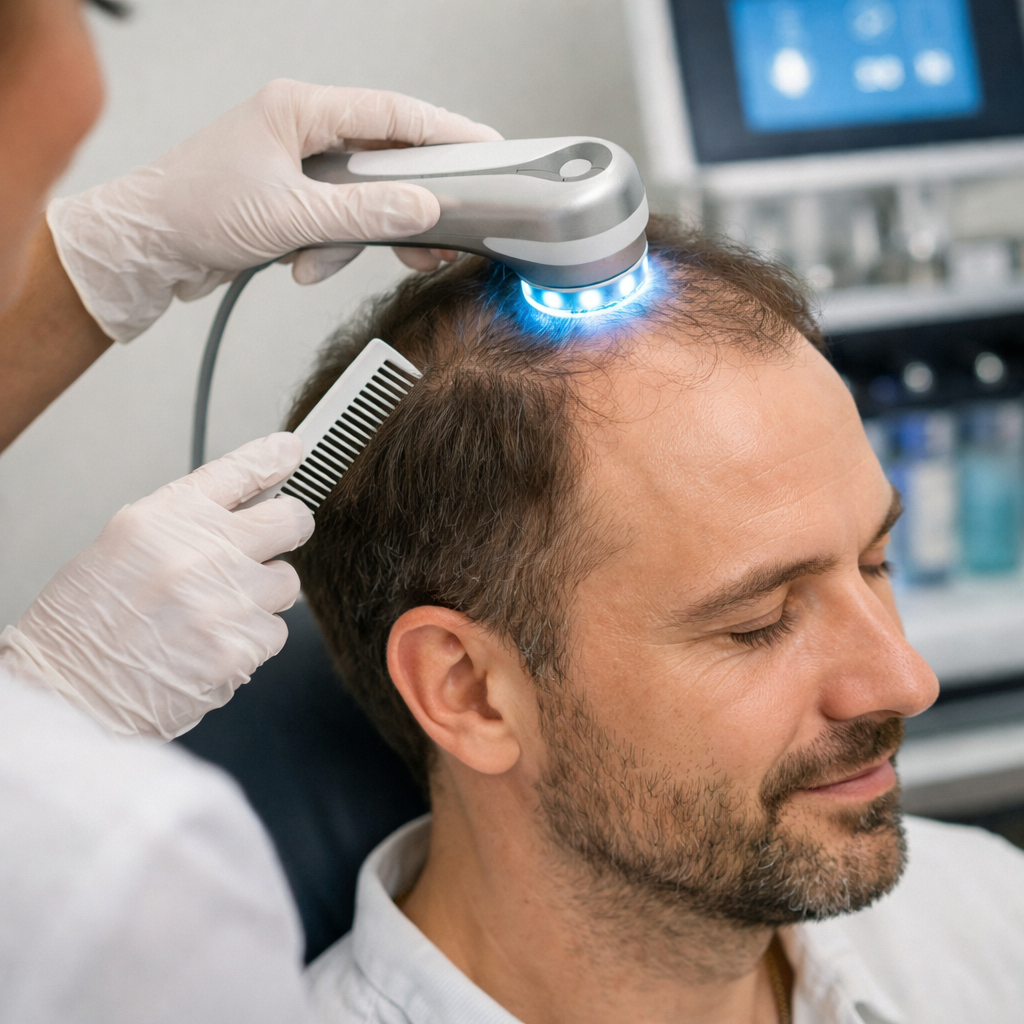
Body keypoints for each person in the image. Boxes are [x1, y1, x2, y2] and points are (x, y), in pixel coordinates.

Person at [291, 218, 1024, 1024]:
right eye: (759, 621)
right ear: (470, 691)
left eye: (875, 563)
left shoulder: (984, 919)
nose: (907, 682)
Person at [0, 0, 498, 1018]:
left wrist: (107, 257)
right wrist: (50, 719)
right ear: (465, 684)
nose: (889, 674)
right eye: (750, 621)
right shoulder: (133, 879)